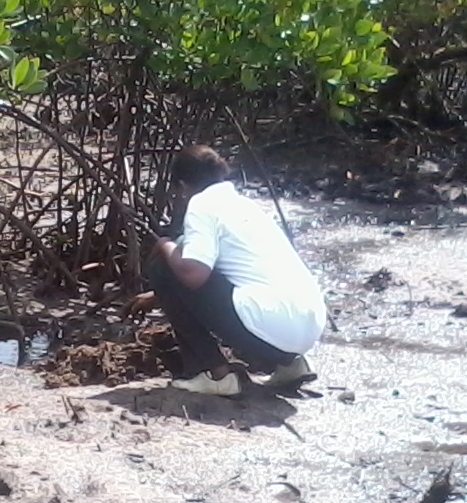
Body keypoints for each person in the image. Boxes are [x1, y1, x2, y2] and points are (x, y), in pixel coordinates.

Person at [137, 144, 326, 396]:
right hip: (308, 330)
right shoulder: (245, 205)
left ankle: (214, 373)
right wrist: (156, 297)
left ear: (183, 186)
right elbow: (227, 273)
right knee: (180, 256)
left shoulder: (201, 205)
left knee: (163, 264)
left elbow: (193, 276)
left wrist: (163, 244)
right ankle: (291, 364)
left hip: (269, 329)